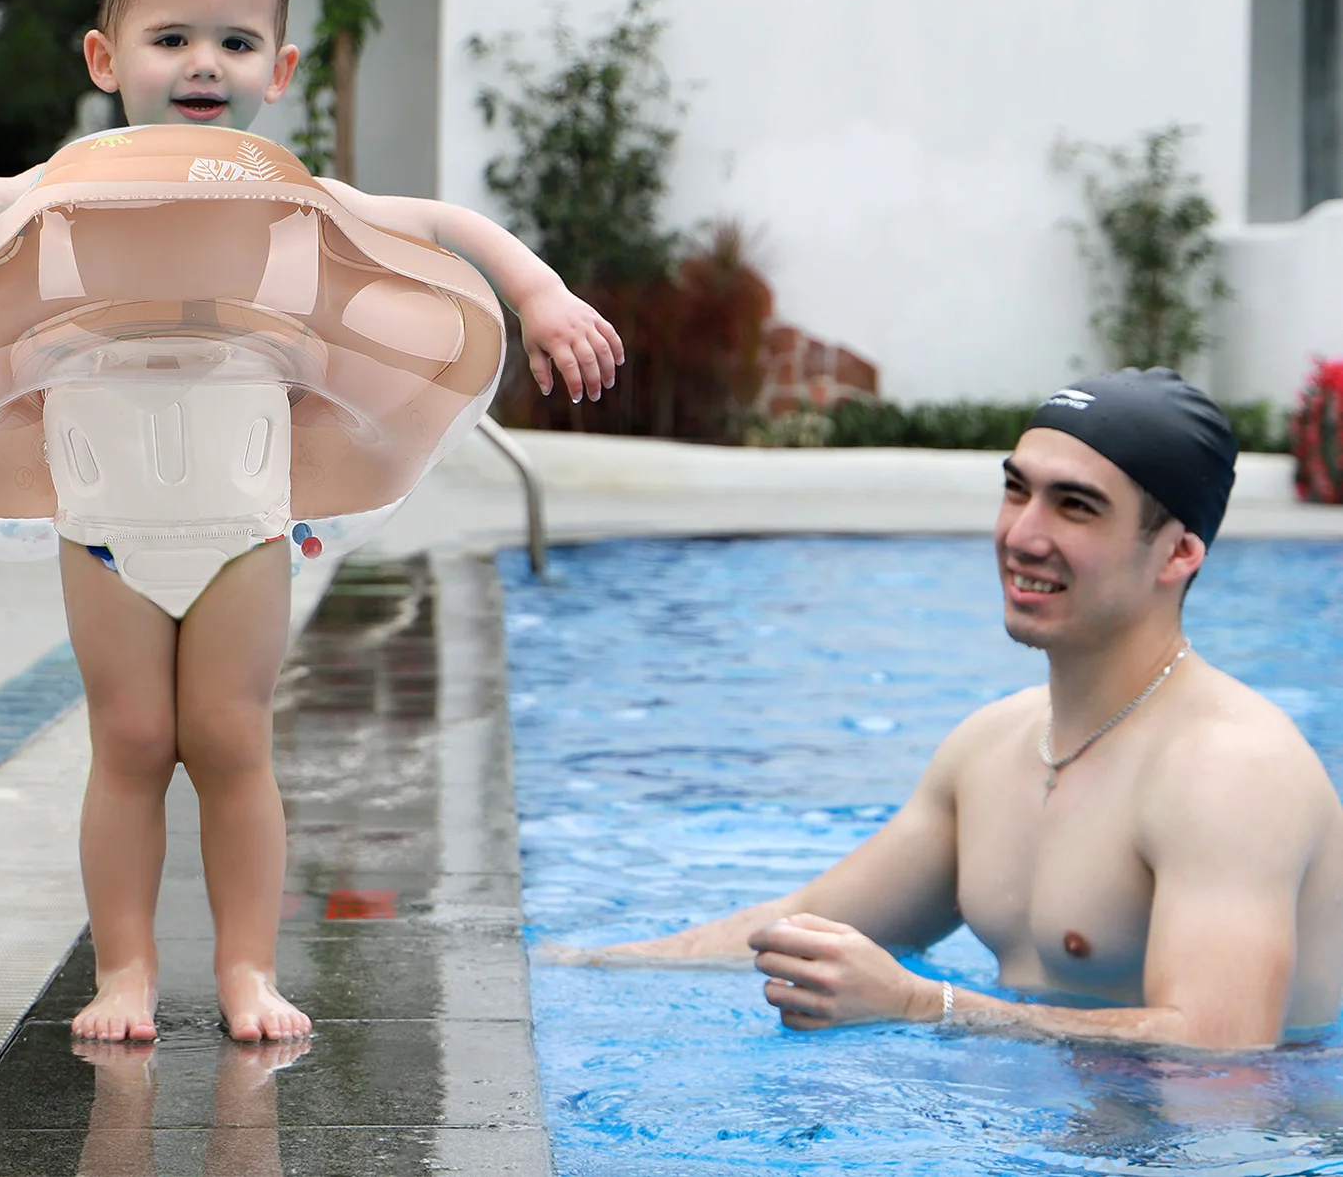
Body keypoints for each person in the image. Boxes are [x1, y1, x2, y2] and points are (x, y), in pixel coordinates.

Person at [0, 0, 624, 1044]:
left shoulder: (287, 198)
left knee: (230, 739)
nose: (201, 65)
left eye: (234, 43)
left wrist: (541, 295)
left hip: (240, 511)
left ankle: (245, 970)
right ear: (104, 58)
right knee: (130, 739)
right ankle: (125, 971)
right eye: (170, 37)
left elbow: (439, 221)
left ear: (277, 69)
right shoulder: (68, 180)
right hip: (104, 509)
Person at [570, 370, 1343, 1050]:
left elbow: (1220, 1056)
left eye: (1076, 507)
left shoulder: (1229, 770)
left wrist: (921, 1004)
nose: (1023, 535)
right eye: (1017, 490)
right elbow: (811, 920)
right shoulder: (994, 746)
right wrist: (584, 970)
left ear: (1178, 553)